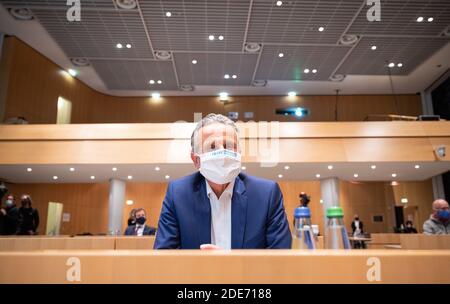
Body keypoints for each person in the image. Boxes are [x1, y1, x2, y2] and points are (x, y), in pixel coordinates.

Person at [154, 113, 292, 249]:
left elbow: (281, 256)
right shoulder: (178, 194)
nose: (223, 153)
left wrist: (230, 265)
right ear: (196, 159)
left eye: (229, 145)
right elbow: (164, 255)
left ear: (239, 152)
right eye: (212, 146)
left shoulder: (266, 194)